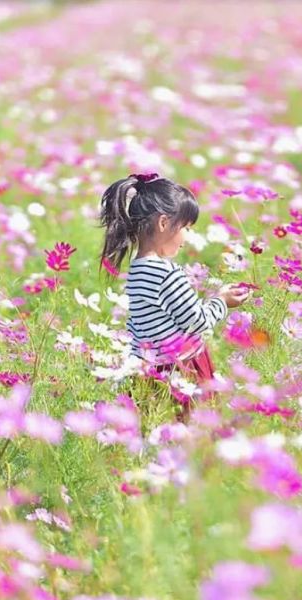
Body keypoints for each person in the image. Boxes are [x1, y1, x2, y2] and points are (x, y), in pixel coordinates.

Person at [98, 172, 249, 422]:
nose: (186, 238)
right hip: (182, 369)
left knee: (158, 430)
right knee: (191, 431)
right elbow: (197, 321)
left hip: (150, 371)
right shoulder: (166, 273)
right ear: (163, 223)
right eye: (186, 228)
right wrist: (222, 301)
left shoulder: (136, 270)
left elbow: (140, 326)